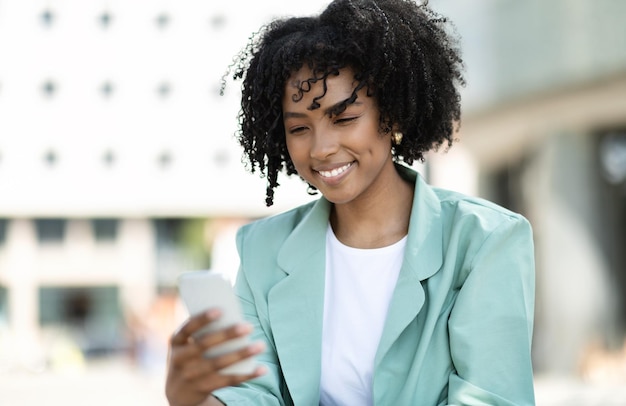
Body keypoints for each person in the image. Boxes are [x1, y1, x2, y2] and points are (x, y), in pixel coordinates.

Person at [165, 0, 536, 405]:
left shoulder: (484, 241)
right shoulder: (262, 251)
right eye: (300, 128)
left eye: (343, 118)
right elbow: (252, 393)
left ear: (391, 115)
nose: (322, 149)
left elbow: (491, 397)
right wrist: (195, 398)